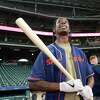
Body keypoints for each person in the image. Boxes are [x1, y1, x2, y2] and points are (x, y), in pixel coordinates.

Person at [28, 17, 94, 100]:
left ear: (69, 29)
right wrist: (61, 86)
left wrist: (88, 88)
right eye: (59, 22)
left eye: (66, 22)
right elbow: (33, 84)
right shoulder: (46, 52)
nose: (63, 23)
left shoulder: (80, 52)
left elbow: (90, 77)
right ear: (54, 30)